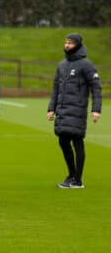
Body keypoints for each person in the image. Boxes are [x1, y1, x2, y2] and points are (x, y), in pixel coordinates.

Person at [47, 33, 101, 189]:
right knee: (63, 142)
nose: (67, 45)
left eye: (70, 43)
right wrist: (51, 108)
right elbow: (56, 88)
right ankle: (71, 175)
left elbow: (96, 88)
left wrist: (95, 109)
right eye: (65, 42)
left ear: (77, 45)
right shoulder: (61, 65)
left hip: (77, 110)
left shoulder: (87, 65)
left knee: (77, 141)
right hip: (63, 111)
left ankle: (78, 180)